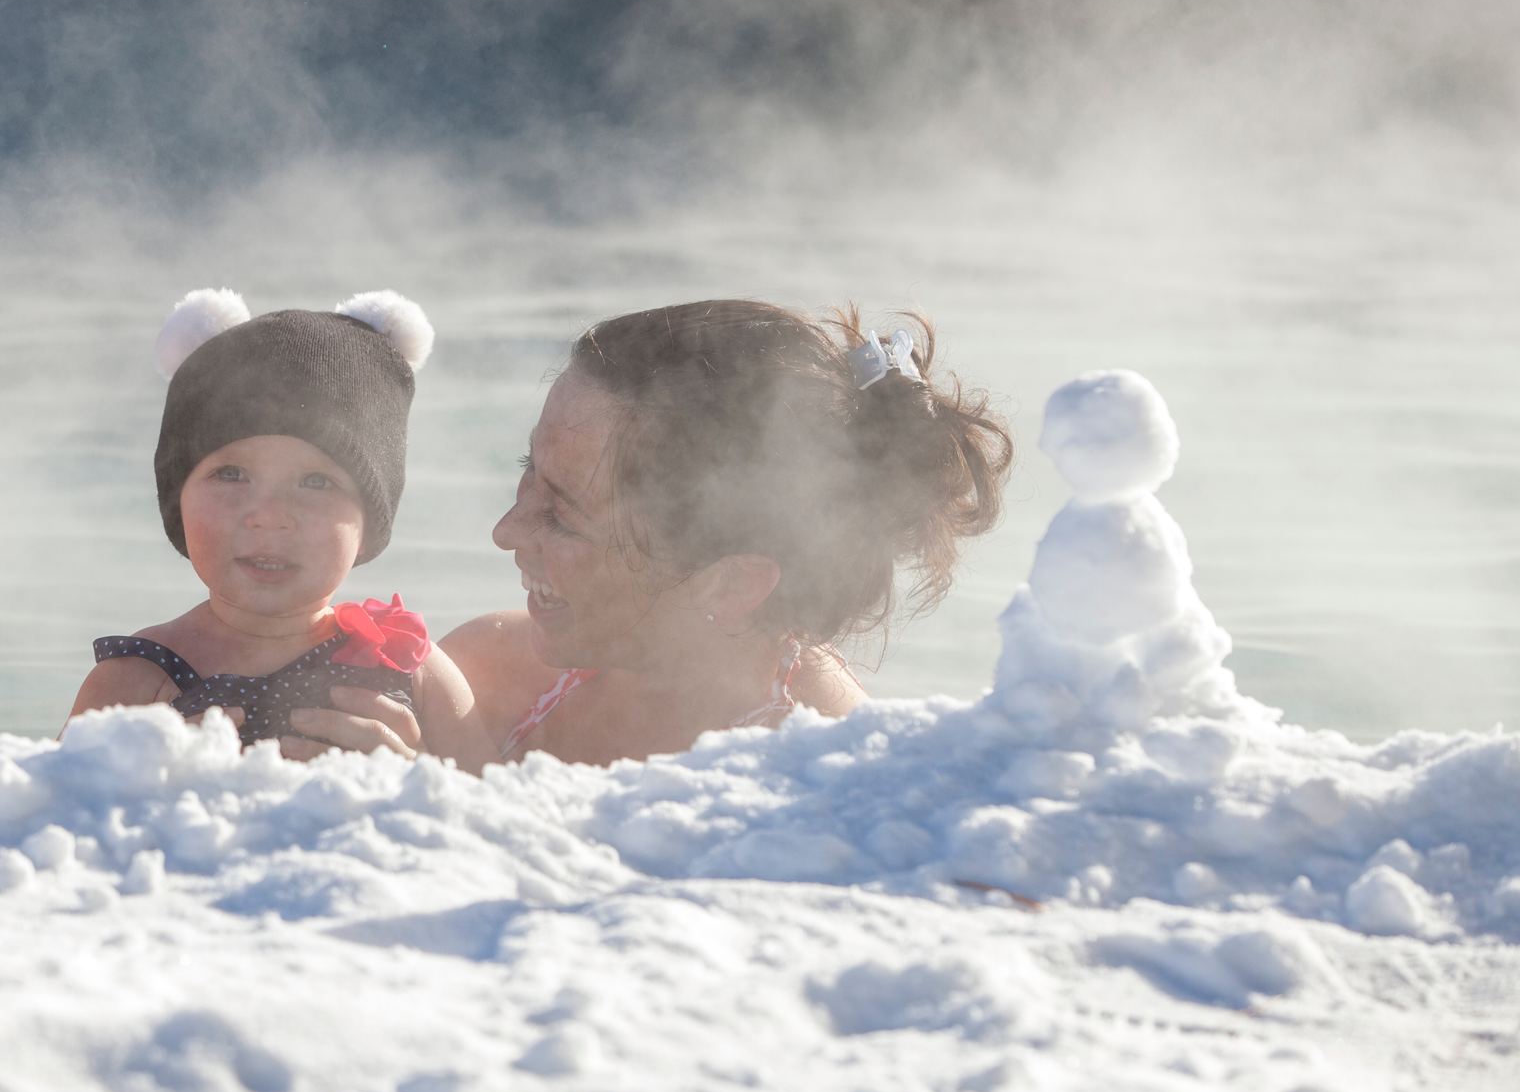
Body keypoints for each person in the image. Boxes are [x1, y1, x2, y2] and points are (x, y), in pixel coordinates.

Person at [443, 300, 1012, 766]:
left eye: (563, 516)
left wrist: (459, 755)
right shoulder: (486, 672)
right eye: (528, 469)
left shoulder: (822, 784)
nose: (505, 531)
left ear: (730, 585)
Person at [69, 288, 491, 767]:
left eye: (316, 481)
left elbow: (504, 814)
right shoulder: (132, 682)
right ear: (176, 500)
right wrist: (136, 777)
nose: (269, 514)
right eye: (231, 474)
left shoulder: (412, 670)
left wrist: (421, 773)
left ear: (369, 520)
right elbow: (42, 816)